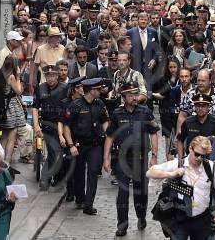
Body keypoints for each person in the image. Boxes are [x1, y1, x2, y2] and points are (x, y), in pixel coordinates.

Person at [102, 82, 159, 237]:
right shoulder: (117, 113)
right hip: (122, 159)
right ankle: (122, 225)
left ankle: (141, 216)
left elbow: (154, 133)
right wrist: (106, 158)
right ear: (124, 97)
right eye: (131, 95)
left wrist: (154, 156)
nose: (135, 97)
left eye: (136, 93)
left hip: (140, 158)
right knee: (122, 193)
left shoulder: (145, 112)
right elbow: (110, 136)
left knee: (141, 192)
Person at [147, 136, 215, 240]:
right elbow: (150, 172)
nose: (199, 158)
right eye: (197, 154)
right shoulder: (178, 164)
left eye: (203, 156)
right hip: (180, 219)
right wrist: (172, 174)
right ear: (190, 148)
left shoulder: (212, 168)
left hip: (202, 218)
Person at [63, 78, 109, 215]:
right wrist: (71, 145)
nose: (101, 91)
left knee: (93, 172)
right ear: (92, 90)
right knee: (78, 173)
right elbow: (66, 126)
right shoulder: (75, 105)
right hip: (79, 144)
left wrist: (109, 137)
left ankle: (89, 204)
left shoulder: (100, 104)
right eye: (98, 89)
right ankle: (80, 198)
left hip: (95, 144)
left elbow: (105, 121)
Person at [32, 65, 69, 191]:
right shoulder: (41, 88)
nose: (50, 78)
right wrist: (36, 125)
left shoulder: (64, 88)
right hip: (47, 125)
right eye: (48, 76)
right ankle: (45, 178)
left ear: (57, 76)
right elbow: (35, 108)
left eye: (53, 75)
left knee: (60, 153)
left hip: (62, 124)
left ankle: (57, 177)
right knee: (54, 152)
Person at [0, 56, 26, 164]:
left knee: (4, 136)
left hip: (3, 107)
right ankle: (7, 161)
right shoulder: (11, 77)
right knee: (12, 136)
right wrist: (19, 76)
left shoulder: (0, 75)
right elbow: (19, 91)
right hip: (10, 108)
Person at [152, 56, 181, 158]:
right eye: (170, 67)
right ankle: (169, 161)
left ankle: (179, 161)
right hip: (166, 110)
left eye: (174, 67)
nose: (173, 69)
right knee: (168, 137)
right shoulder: (163, 79)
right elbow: (159, 94)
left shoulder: (182, 78)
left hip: (179, 111)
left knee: (180, 137)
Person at [176, 94, 215, 158]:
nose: (200, 108)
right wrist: (180, 159)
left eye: (203, 106)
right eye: (198, 106)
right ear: (194, 107)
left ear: (208, 107)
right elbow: (180, 140)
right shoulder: (188, 122)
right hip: (191, 158)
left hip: (209, 159)